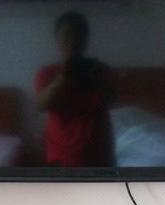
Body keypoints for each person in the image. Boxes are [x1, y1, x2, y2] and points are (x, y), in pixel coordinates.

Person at [35, 11, 115, 167]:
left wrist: (99, 81)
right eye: (67, 36)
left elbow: (112, 100)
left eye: (79, 36)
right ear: (57, 39)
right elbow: (41, 105)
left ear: (86, 39)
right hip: (61, 156)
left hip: (99, 153)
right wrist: (61, 79)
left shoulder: (102, 70)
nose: (73, 42)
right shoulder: (47, 73)